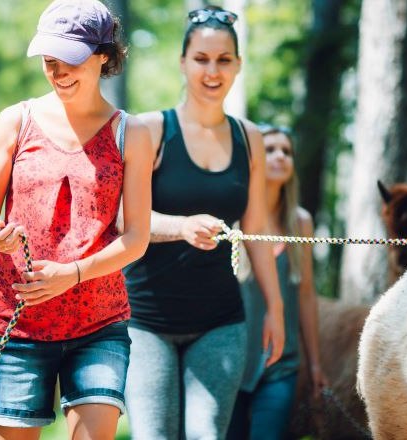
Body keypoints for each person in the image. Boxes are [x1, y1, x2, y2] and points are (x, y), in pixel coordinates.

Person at [0, 0, 153, 438]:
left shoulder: (132, 133)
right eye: (49, 61)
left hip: (99, 325)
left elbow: (137, 238)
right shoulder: (16, 120)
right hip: (19, 322)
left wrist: (72, 274)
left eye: (70, 60)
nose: (58, 72)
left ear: (104, 56)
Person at [123, 6, 286, 439]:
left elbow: (258, 225)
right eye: (201, 59)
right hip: (146, 319)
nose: (212, 71)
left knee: (208, 435)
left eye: (223, 60)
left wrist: (276, 307)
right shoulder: (150, 129)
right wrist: (180, 227)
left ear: (237, 65)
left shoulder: (249, 136)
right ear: (182, 62)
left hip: (221, 319)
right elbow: (124, 217)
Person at [226, 125, 328, 440]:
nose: (280, 156)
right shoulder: (232, 215)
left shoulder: (302, 222)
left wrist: (314, 364)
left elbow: (307, 295)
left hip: (281, 365)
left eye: (286, 151)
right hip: (230, 362)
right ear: (254, 159)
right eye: (270, 150)